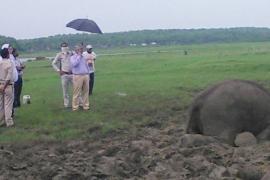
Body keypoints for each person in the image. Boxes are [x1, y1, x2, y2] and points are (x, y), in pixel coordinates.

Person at [52, 42, 73, 108]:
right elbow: (53, 63)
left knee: (76, 89)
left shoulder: (72, 53)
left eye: (66, 46)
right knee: (65, 91)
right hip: (64, 75)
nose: (64, 47)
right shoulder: (59, 55)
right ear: (61, 47)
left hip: (72, 74)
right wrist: (58, 70)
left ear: (68, 47)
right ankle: (66, 105)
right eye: (63, 46)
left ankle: (80, 103)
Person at [70, 45, 90, 111]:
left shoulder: (84, 57)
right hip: (77, 76)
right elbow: (74, 64)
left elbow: (86, 66)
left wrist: (88, 74)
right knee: (76, 92)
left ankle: (86, 106)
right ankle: (75, 107)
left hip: (85, 75)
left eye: (81, 49)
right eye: (79, 49)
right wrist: (78, 56)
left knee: (86, 92)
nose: (80, 50)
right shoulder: (73, 57)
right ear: (76, 50)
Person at [0, 48, 15, 127]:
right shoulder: (10, 63)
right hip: (7, 86)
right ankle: (9, 122)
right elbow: (8, 77)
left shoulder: (0, 63)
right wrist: (4, 87)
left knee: (1, 104)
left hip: (0, 84)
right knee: (8, 104)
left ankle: (1, 121)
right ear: (7, 54)